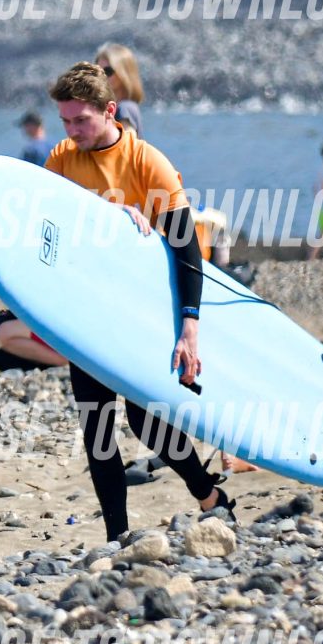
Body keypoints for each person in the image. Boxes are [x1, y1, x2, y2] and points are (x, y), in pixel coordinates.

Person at [38, 61, 234, 541]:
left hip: (139, 311)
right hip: (88, 313)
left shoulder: (148, 162)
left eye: (80, 120)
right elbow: (45, 225)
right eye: (64, 121)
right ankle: (117, 539)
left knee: (146, 421)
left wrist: (189, 327)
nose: (71, 131)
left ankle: (208, 494)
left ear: (110, 111)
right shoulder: (62, 157)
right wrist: (110, 214)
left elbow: (186, 250)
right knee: (97, 430)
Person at [94, 44, 145, 134]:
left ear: (123, 73)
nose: (102, 77)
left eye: (108, 71)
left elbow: (127, 142)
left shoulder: (124, 108)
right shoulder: (119, 109)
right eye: (98, 72)